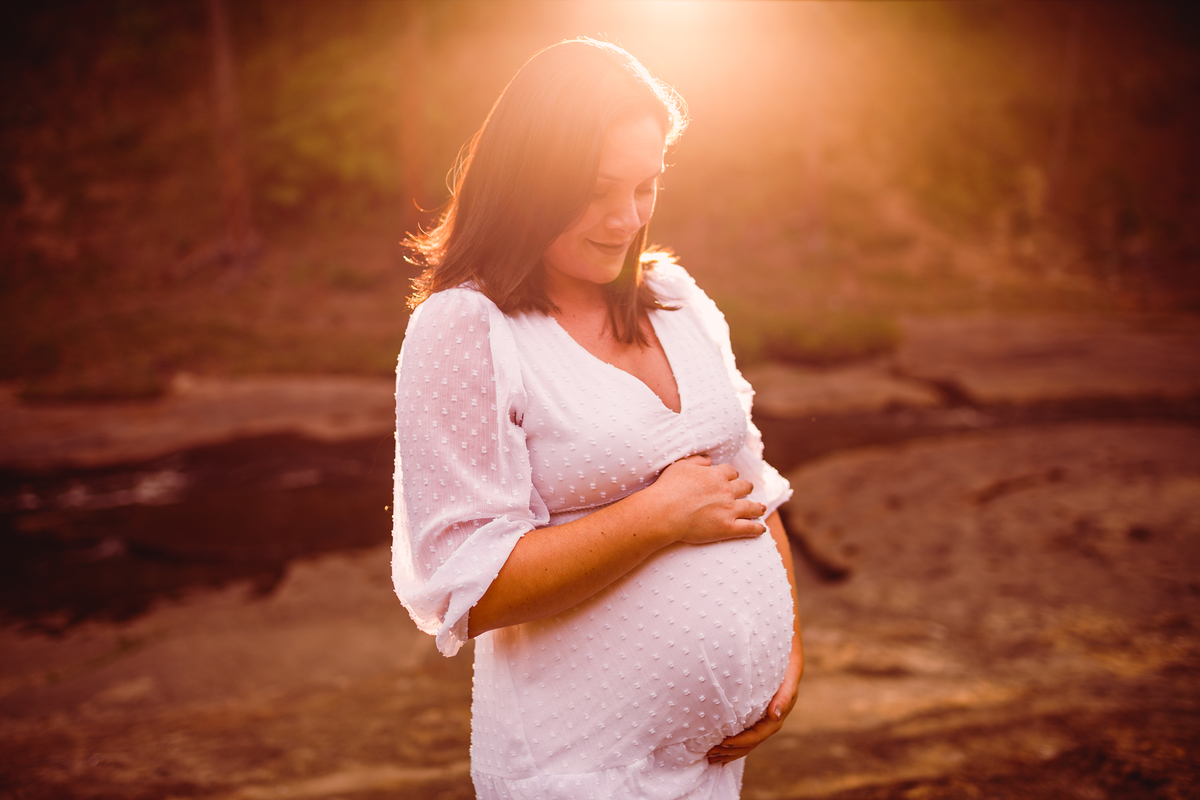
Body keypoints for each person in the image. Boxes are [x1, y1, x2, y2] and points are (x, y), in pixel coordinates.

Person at [392, 38, 803, 799]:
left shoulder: (676, 297)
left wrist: (786, 652)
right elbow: (469, 591)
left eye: (647, 186)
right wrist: (657, 517)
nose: (625, 218)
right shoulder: (467, 329)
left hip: (710, 773)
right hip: (573, 771)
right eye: (596, 189)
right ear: (526, 180)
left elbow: (749, 481)